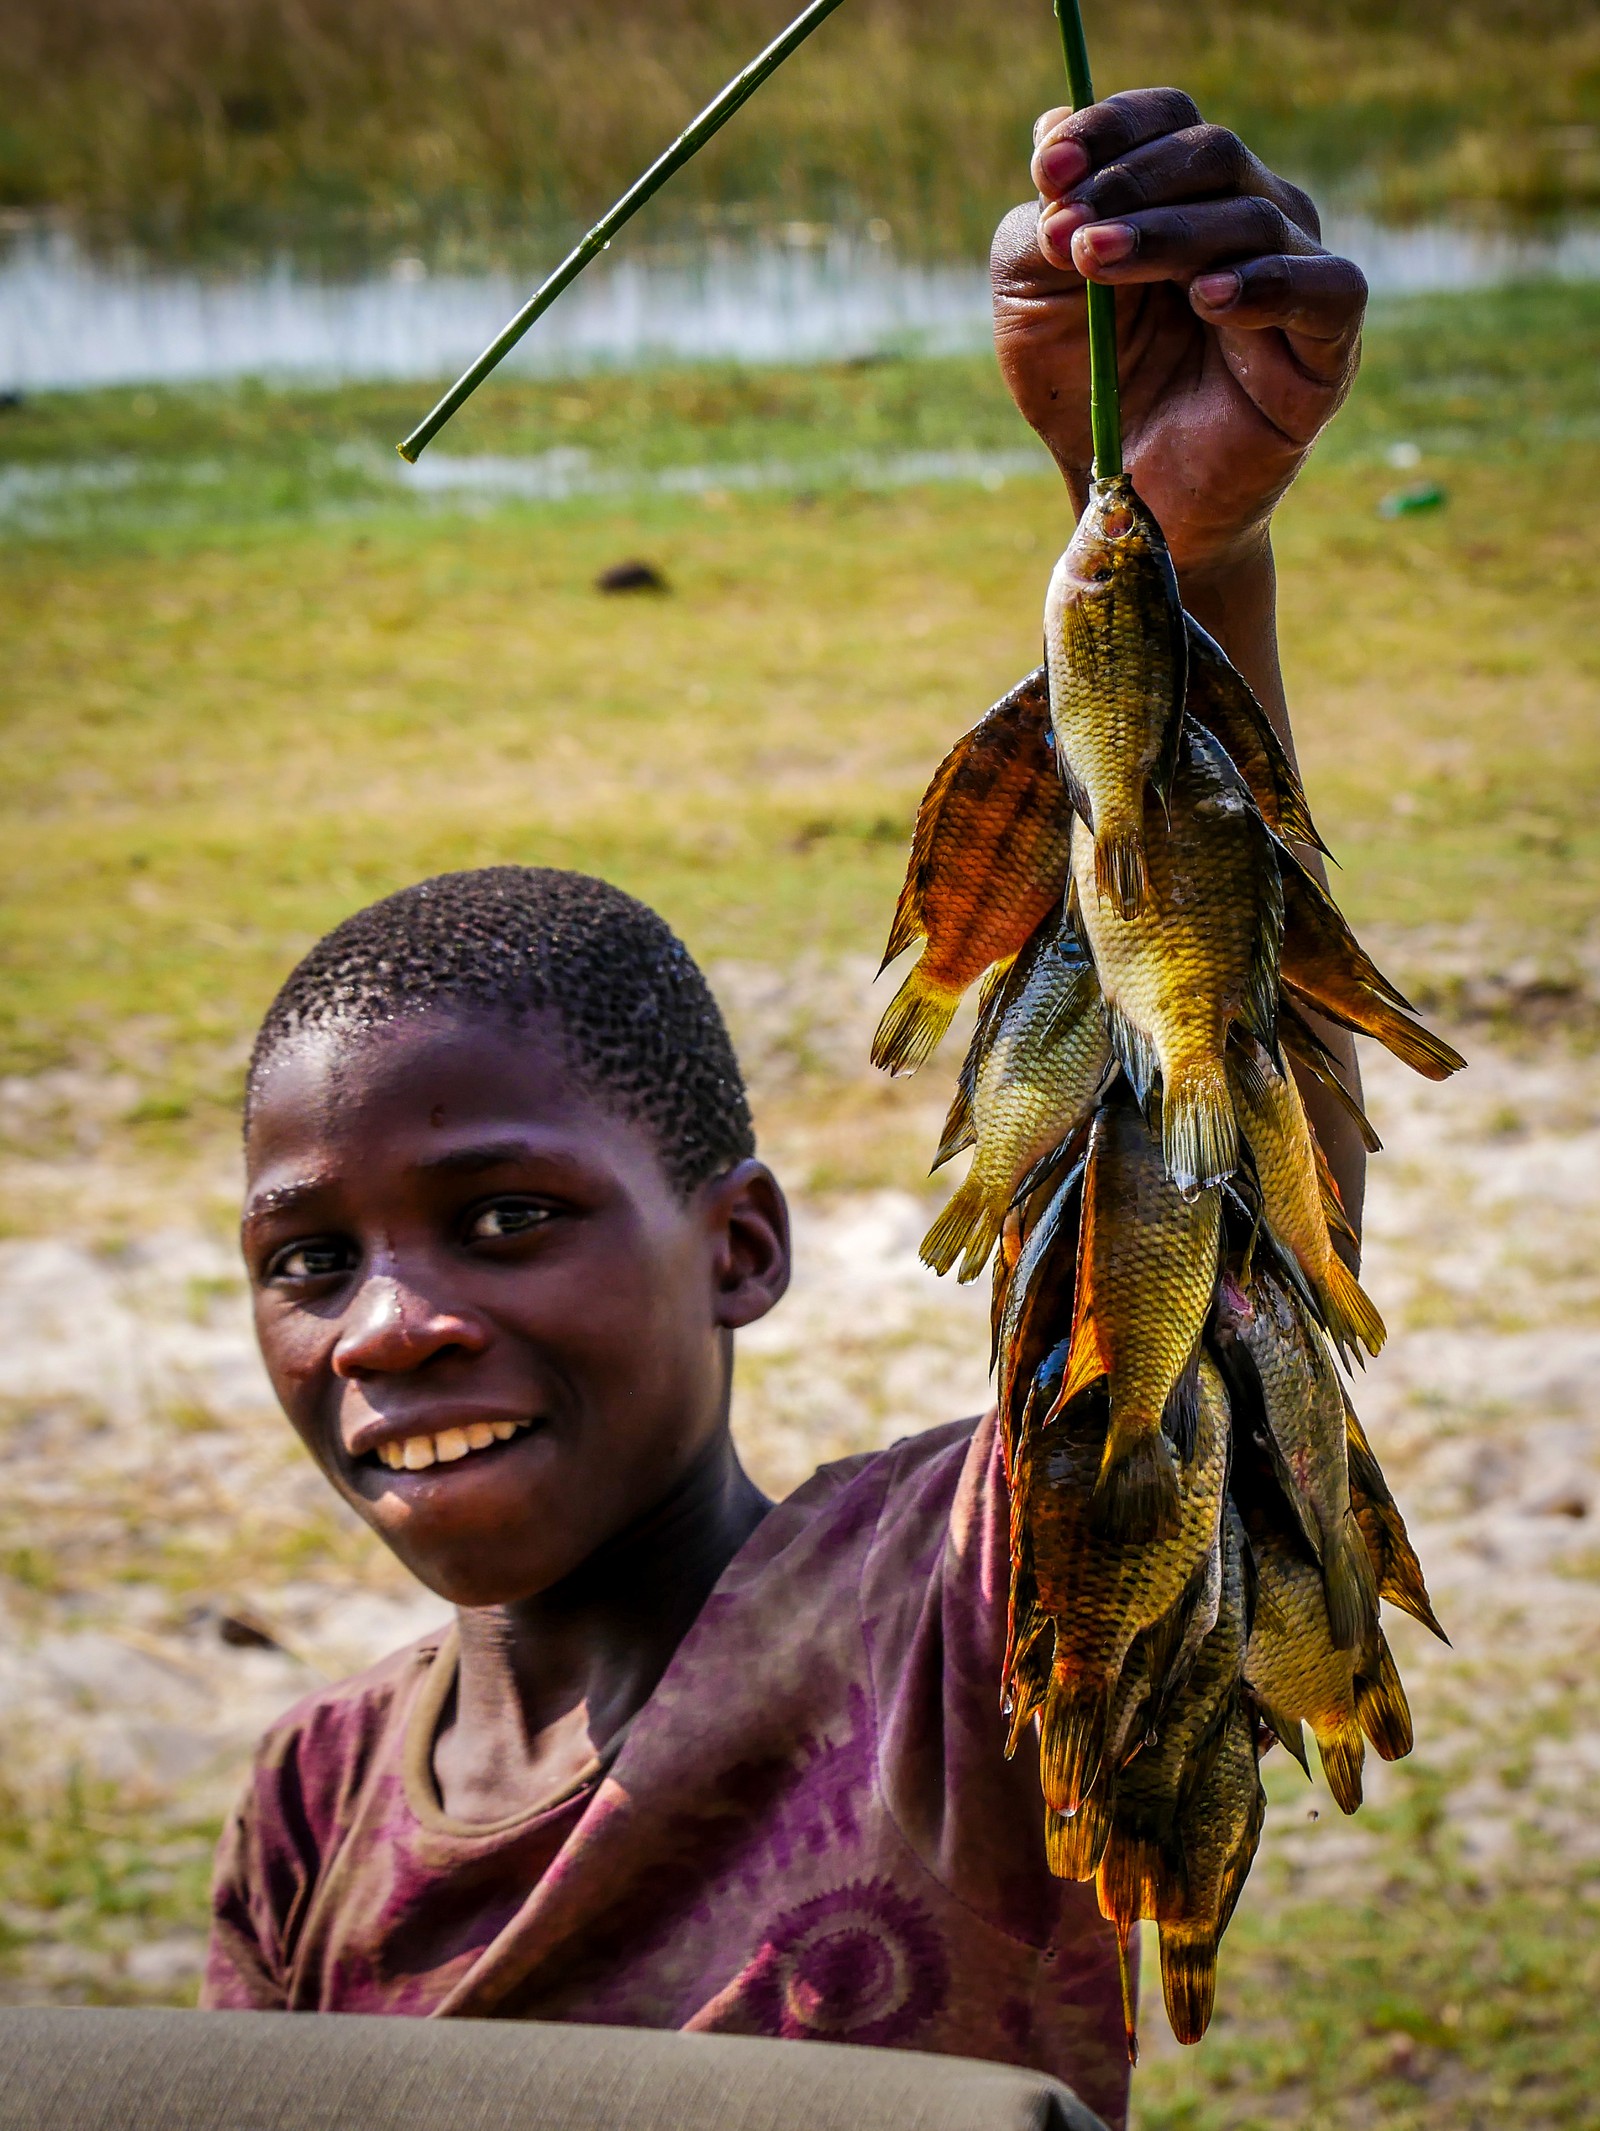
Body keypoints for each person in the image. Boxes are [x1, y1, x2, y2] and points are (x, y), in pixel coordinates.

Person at [201, 90, 1369, 2131]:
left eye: (500, 1219)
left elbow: (1208, 1148)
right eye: (310, 1256)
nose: (387, 1322)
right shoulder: (310, 1811)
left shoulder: (950, 1610)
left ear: (736, 1243)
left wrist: (1182, 553)